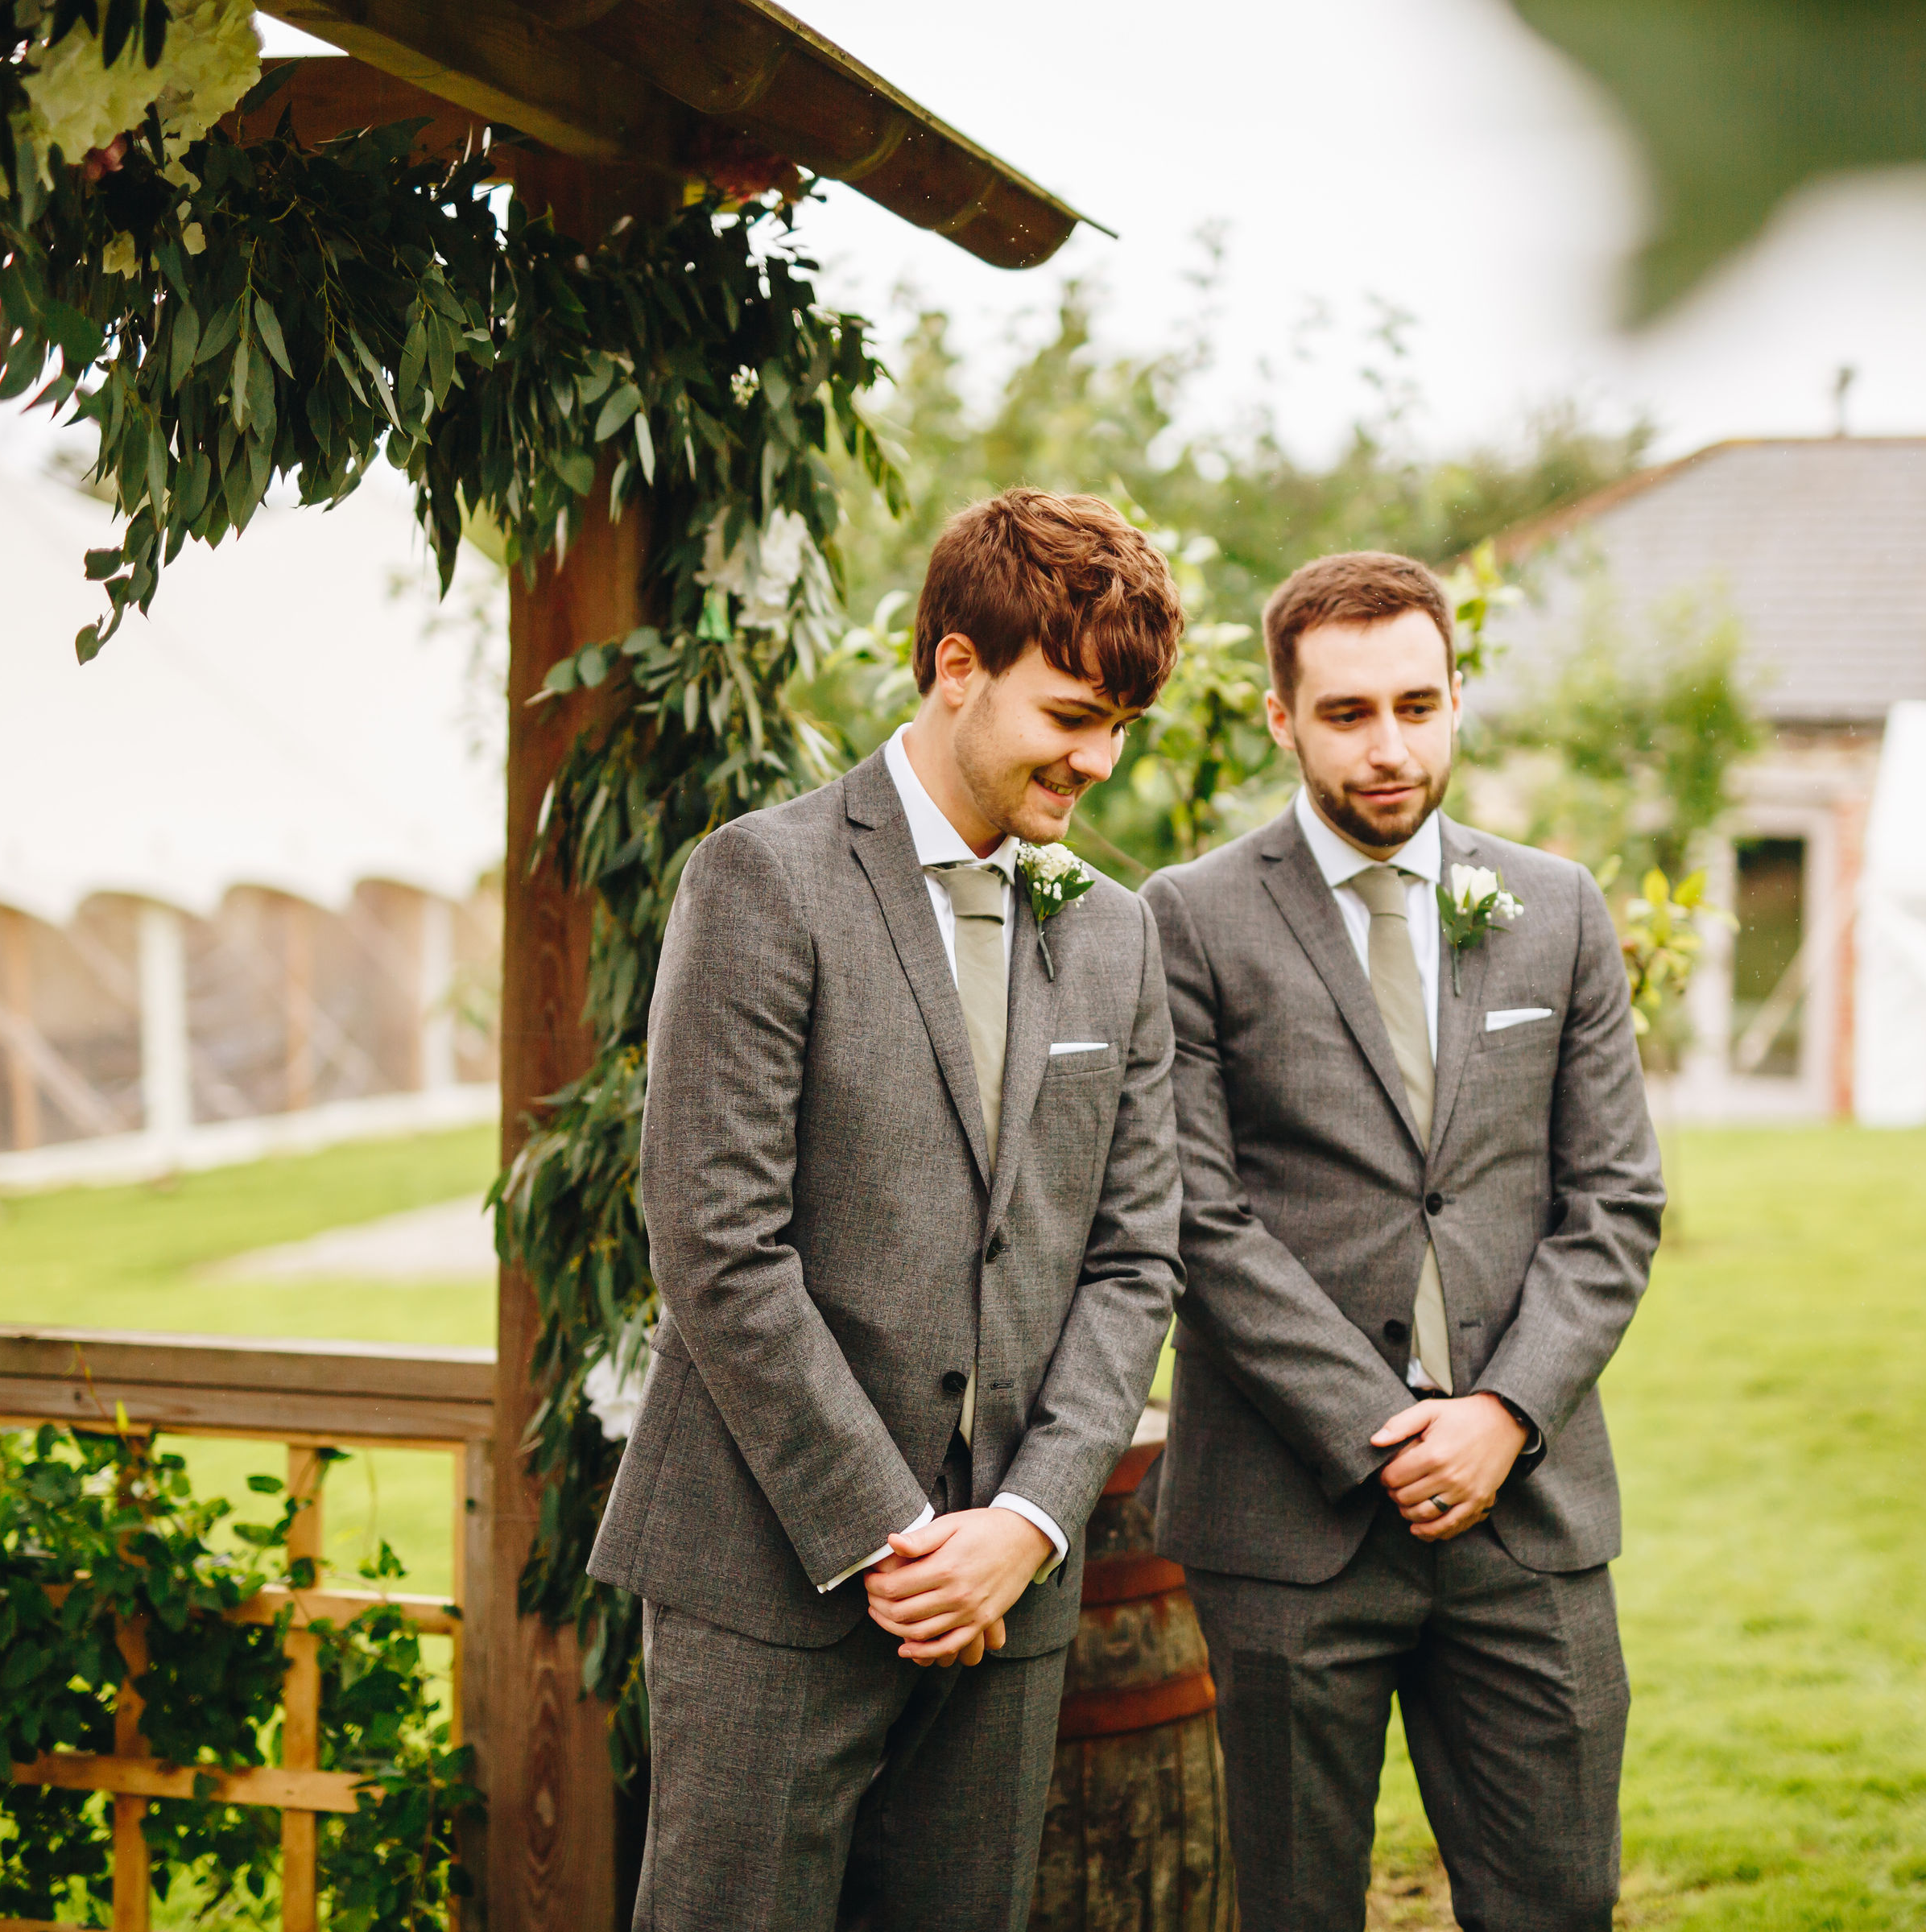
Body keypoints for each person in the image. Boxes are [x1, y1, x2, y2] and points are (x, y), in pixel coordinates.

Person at [590, 489, 1188, 1931]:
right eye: (1070, 715)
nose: (1096, 760)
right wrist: (897, 1538)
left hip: (1010, 1597)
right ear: (956, 665)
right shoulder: (764, 877)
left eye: (1120, 726)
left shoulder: (1113, 933)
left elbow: (1133, 1257)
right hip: (772, 1573)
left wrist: (1026, 1526)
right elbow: (718, 1249)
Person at [1143, 551, 1662, 1931]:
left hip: (1528, 1515)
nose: (1390, 749)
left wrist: (1501, 1414)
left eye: (1419, 708)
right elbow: (1198, 1217)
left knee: (1558, 1904)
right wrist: (1387, 1432)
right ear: (1279, 717)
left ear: (1454, 702)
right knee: (1296, 1910)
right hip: (1289, 1522)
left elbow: (1612, 1201)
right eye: (1349, 713)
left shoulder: (1555, 909)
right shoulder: (1186, 920)